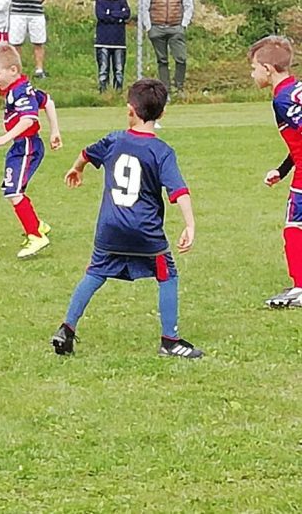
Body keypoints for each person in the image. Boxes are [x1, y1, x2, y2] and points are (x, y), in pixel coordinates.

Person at [51, 78, 202, 359]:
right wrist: (190, 225)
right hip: (145, 232)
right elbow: (179, 190)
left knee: (94, 273)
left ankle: (66, 329)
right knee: (167, 275)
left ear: (129, 110)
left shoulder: (113, 140)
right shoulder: (161, 151)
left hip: (110, 228)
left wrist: (76, 169)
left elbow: (85, 153)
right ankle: (170, 341)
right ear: (162, 114)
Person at [0, 42, 62, 259]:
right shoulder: (20, 87)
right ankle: (37, 226)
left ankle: (36, 235)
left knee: (13, 191)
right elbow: (48, 102)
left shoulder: (20, 91)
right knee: (11, 190)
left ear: (13, 70)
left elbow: (28, 119)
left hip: (26, 145)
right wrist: (55, 131)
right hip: (21, 145)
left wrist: (4, 138)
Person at [248, 36, 302, 309]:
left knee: (294, 227)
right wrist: (281, 171)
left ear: (268, 69)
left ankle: (300, 288)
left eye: (255, 68)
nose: (253, 73)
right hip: (297, 169)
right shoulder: (296, 89)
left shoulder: (282, 99)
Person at [138, 0, 193, 95]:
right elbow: (145, 6)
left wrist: (183, 24)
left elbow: (188, 4)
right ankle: (166, 90)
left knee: (181, 59)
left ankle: (178, 87)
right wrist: (149, 26)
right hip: (157, 27)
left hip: (175, 27)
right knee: (162, 61)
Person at [94, 0, 131, 93]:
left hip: (119, 42)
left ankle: (118, 92)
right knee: (103, 69)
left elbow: (126, 14)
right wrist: (117, 16)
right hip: (102, 41)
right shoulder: (100, 1)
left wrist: (110, 14)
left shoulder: (122, 1)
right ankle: (103, 92)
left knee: (119, 70)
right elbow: (101, 16)